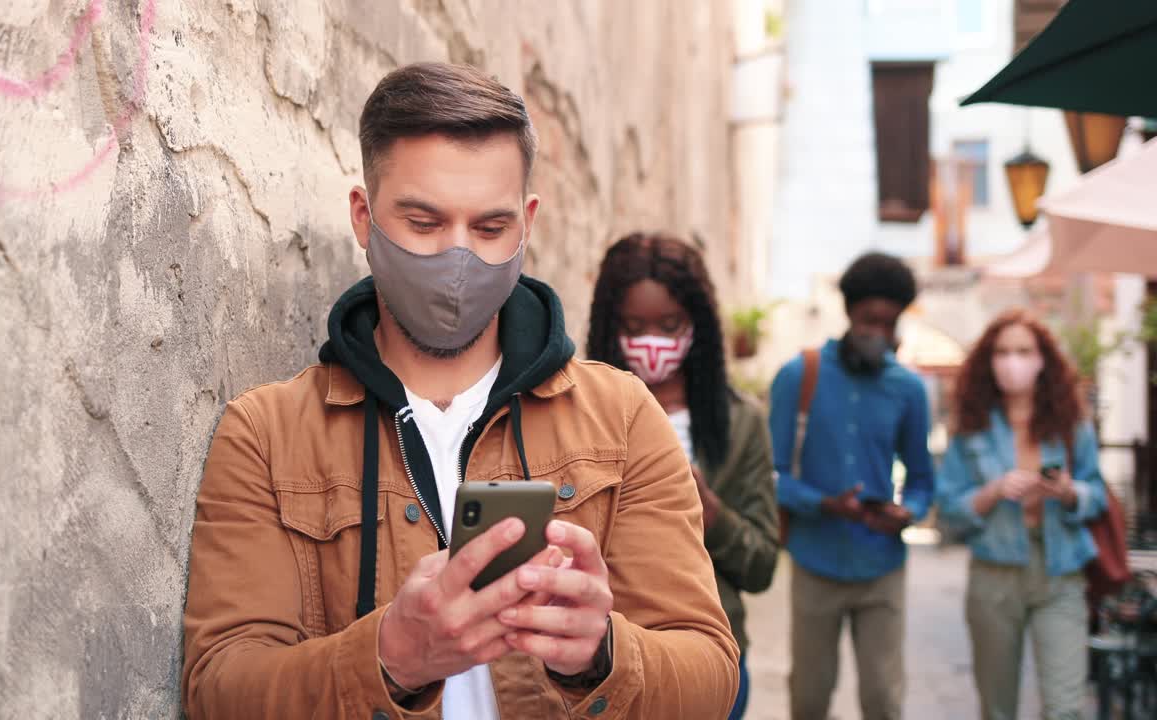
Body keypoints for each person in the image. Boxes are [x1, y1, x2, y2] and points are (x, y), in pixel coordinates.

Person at [181, 62, 738, 720]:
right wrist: (388, 657)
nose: (457, 259)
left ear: (527, 222)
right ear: (363, 216)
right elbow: (220, 688)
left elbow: (710, 676)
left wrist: (603, 653)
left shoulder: (622, 418)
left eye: (490, 229)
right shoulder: (266, 435)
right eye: (423, 222)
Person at [585, 232, 779, 720]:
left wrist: (710, 513)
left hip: (705, 664)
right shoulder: (581, 415)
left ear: (697, 324)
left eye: (669, 325)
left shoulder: (741, 422)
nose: (653, 342)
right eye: (634, 327)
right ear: (610, 325)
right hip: (602, 662)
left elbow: (761, 566)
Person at [769, 251, 935, 720]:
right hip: (814, 563)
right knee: (809, 698)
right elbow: (772, 475)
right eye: (869, 320)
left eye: (890, 323)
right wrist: (823, 503)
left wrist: (908, 512)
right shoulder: (799, 376)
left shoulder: (909, 389)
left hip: (882, 566)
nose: (878, 332)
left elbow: (922, 480)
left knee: (883, 699)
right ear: (849, 313)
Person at [937, 309, 1106, 720]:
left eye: (1023, 351)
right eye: (1002, 352)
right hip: (994, 574)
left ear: (1042, 359)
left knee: (1065, 708)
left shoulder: (1070, 423)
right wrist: (993, 491)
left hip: (1060, 570)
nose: (1012, 361)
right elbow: (948, 512)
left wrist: (1069, 492)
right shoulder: (971, 428)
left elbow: (1097, 494)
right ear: (989, 361)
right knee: (998, 709)